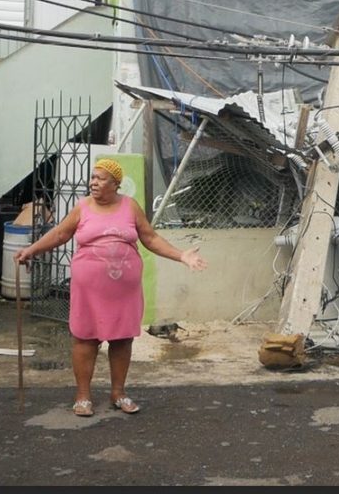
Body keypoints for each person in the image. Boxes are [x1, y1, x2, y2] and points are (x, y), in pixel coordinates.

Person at [14, 158, 207, 417]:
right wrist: (31, 250)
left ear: (116, 184)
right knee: (85, 338)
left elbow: (149, 238)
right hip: (88, 288)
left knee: (122, 338)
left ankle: (119, 393)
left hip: (123, 289)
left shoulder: (130, 207)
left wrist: (182, 255)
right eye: (92, 178)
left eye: (100, 178)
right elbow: (60, 234)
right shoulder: (82, 207)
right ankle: (83, 395)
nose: (93, 182)